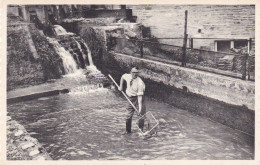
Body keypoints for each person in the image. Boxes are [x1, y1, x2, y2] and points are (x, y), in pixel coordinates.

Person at [118, 67, 146, 134]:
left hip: (138, 97)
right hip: (130, 98)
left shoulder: (140, 83)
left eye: (136, 73)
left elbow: (139, 98)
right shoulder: (127, 76)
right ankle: (128, 132)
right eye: (133, 73)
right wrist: (121, 86)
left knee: (141, 115)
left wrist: (139, 109)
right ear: (131, 72)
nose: (134, 74)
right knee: (128, 115)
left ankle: (141, 132)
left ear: (138, 74)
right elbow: (122, 77)